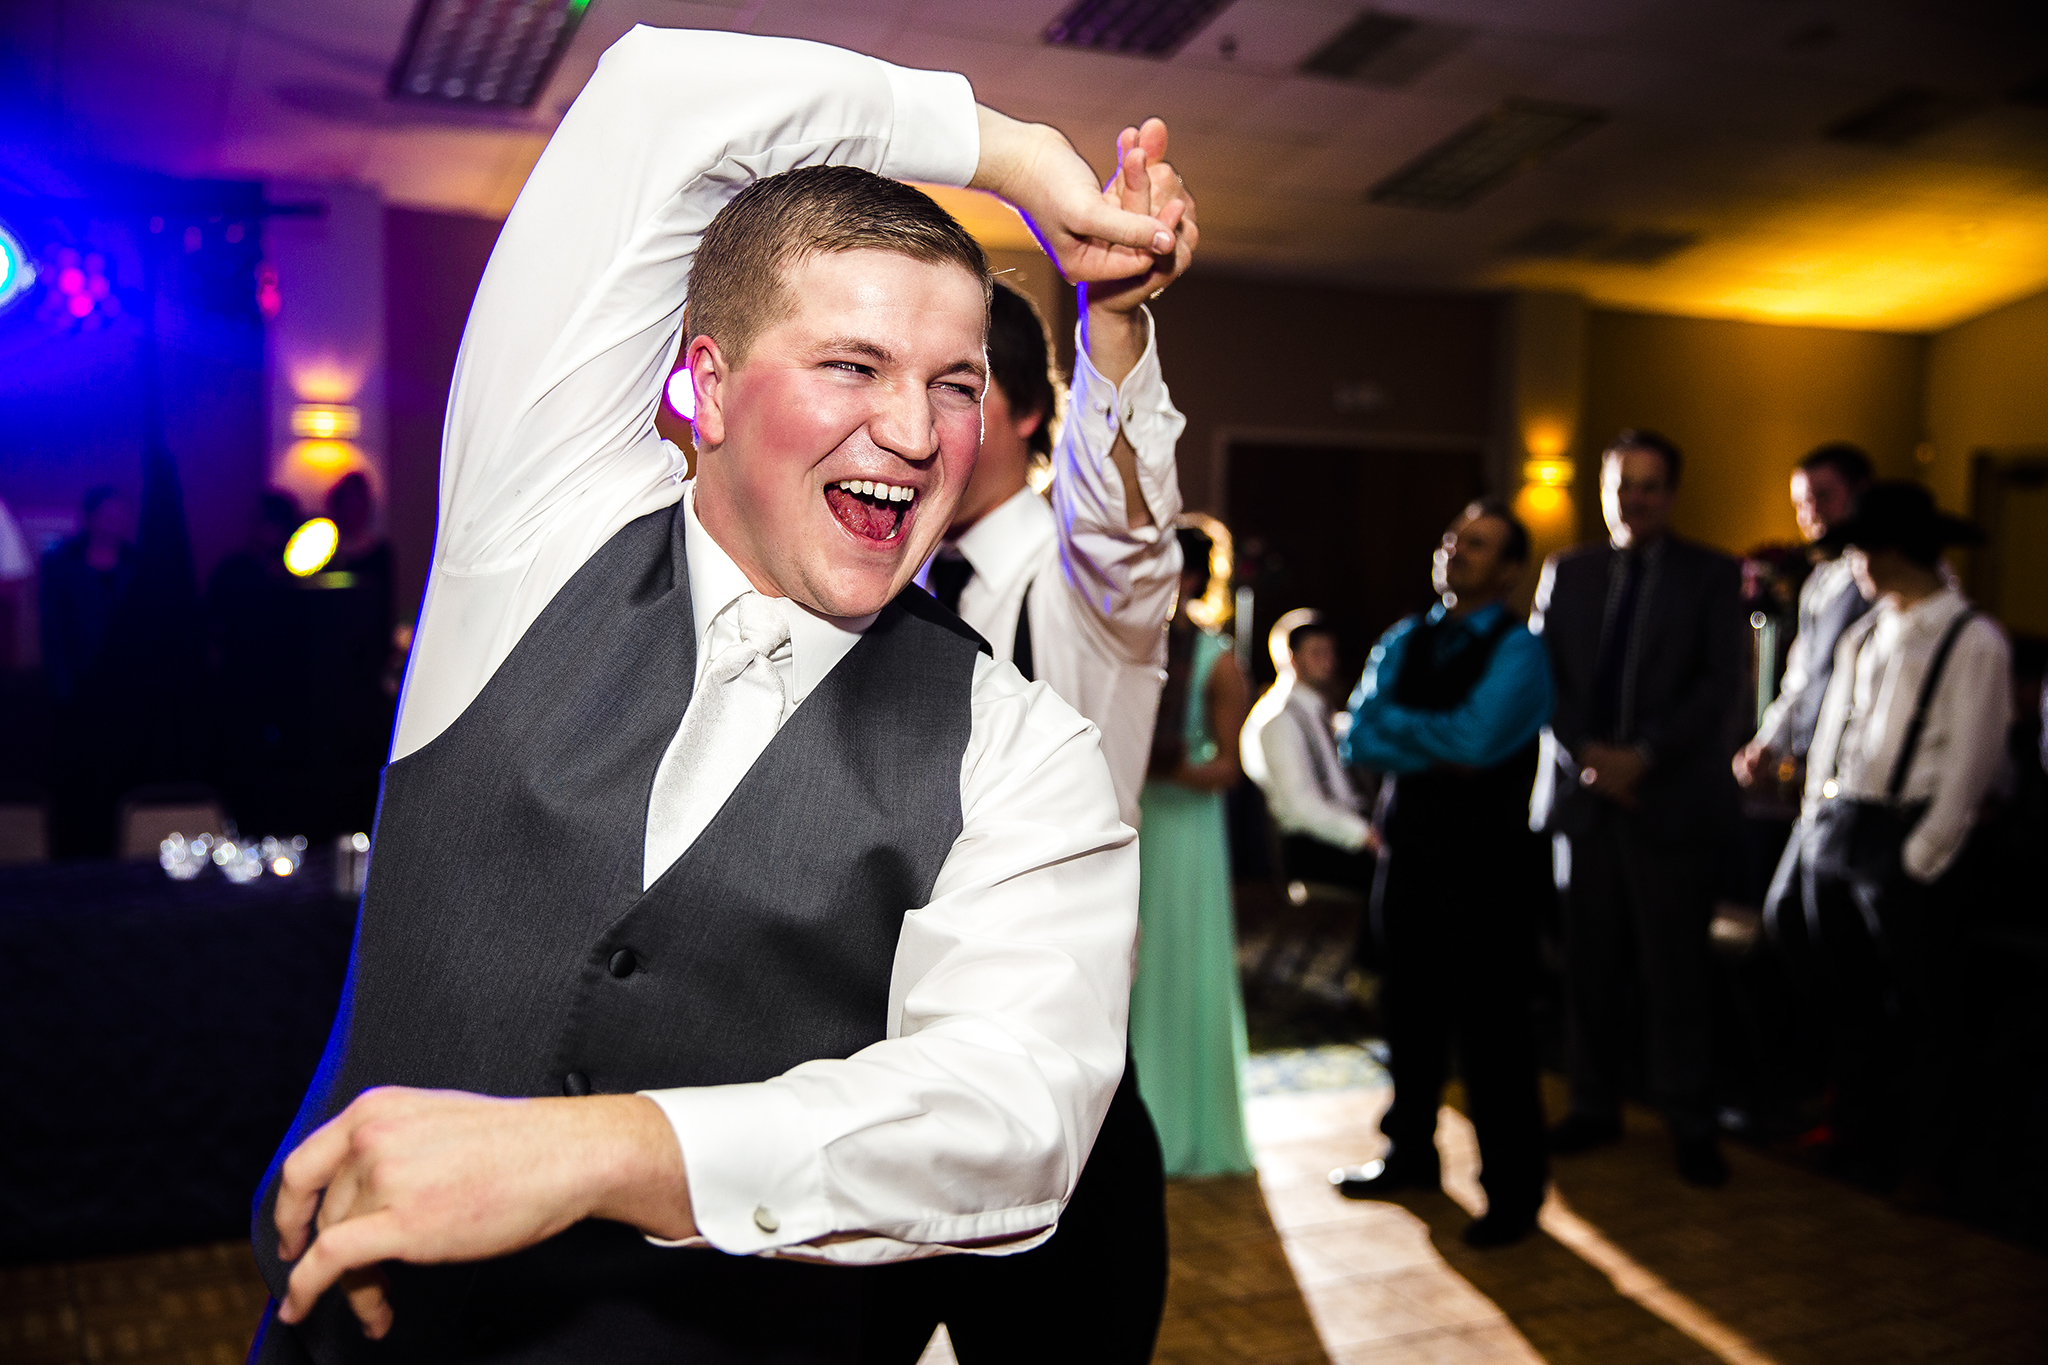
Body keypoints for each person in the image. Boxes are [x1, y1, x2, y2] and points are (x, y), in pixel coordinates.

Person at [248, 25, 1189, 1364]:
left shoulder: (1020, 747)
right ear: (699, 383)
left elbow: (1016, 1112)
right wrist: (1019, 158)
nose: (915, 434)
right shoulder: (540, 537)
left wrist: (591, 1151)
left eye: (956, 387)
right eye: (853, 367)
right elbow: (655, 97)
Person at [870, 134, 1195, 1362]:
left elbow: (1121, 535)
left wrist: (1109, 326)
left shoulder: (1081, 606)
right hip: (867, 1101)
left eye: (947, 385)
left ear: (1012, 412)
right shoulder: (855, 592)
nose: (897, 420)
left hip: (1061, 1123)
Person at [1331, 500, 1553, 1246]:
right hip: (1409, 855)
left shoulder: (1521, 652)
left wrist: (1409, 730)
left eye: (1479, 544)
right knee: (1410, 1013)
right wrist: (1431, 735)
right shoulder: (1405, 636)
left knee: (1492, 1032)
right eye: (1454, 538)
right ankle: (1411, 1152)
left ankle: (1514, 1193)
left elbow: (1478, 739)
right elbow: (1359, 738)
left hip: (1488, 865)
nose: (1456, 550)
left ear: (1512, 568)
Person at [1531, 430, 1745, 1187]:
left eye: (1650, 485)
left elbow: (1721, 685)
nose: (1635, 498)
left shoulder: (1713, 575)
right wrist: (1585, 755)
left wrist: (1641, 755)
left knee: (1674, 971)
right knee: (1589, 966)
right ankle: (1594, 1104)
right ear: (1603, 488)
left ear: (1671, 493)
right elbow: (1543, 672)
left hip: (1670, 802)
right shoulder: (1571, 570)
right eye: (1623, 484)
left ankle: (1689, 1118)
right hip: (1584, 802)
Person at [1792, 482, 2010, 1193]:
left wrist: (1921, 857)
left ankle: (1925, 1157)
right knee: (1849, 1002)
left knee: (1923, 1011)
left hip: (1909, 839)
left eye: (1857, 553)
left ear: (1886, 552)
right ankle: (1855, 1132)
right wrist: (1815, 817)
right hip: (1844, 828)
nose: (1853, 568)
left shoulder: (1971, 637)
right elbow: (1834, 732)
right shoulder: (1868, 630)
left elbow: (1972, 762)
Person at [1128, 523, 1257, 1177]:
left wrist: (1164, 764)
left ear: (1191, 581)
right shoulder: (1128, 645)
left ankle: (1183, 1124)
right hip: (1135, 820)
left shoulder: (1217, 660)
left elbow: (1231, 767)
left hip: (1184, 829)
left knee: (1179, 962)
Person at [1733, 443, 1875, 796]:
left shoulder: (1886, 580)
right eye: (1801, 504)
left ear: (1862, 494)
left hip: (1861, 768)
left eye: (1823, 497)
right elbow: (1801, 677)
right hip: (1810, 767)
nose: (1811, 514)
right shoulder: (1817, 582)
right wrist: (1766, 743)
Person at [1242, 608, 1376, 896]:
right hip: (1313, 847)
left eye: (1330, 652)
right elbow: (1301, 807)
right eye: (1317, 653)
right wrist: (1365, 835)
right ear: (1290, 658)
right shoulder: (1277, 720)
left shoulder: (1322, 711)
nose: (1328, 662)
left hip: (1342, 831)